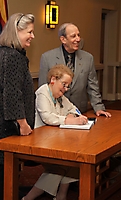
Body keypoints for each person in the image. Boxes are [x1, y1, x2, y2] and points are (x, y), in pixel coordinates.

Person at [22, 64, 88, 200]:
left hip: (54, 138)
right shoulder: (43, 93)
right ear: (53, 80)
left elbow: (73, 108)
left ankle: (61, 195)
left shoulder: (59, 95)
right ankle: (28, 198)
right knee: (60, 167)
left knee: (74, 160)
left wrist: (77, 116)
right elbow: (48, 117)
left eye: (68, 86)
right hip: (38, 141)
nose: (65, 89)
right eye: (64, 84)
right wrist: (68, 120)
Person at [0, 13, 35, 200]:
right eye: (29, 32)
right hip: (6, 126)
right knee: (4, 173)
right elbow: (12, 94)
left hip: (5, 122)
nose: (33, 36)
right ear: (17, 31)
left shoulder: (8, 53)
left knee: (6, 172)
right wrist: (23, 124)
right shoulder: (13, 56)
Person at [38, 22, 111, 118]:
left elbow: (93, 87)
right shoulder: (47, 58)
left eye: (78, 35)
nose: (78, 39)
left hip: (79, 111)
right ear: (63, 39)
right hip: (56, 114)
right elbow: (43, 88)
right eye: (73, 36)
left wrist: (98, 108)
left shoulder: (88, 58)